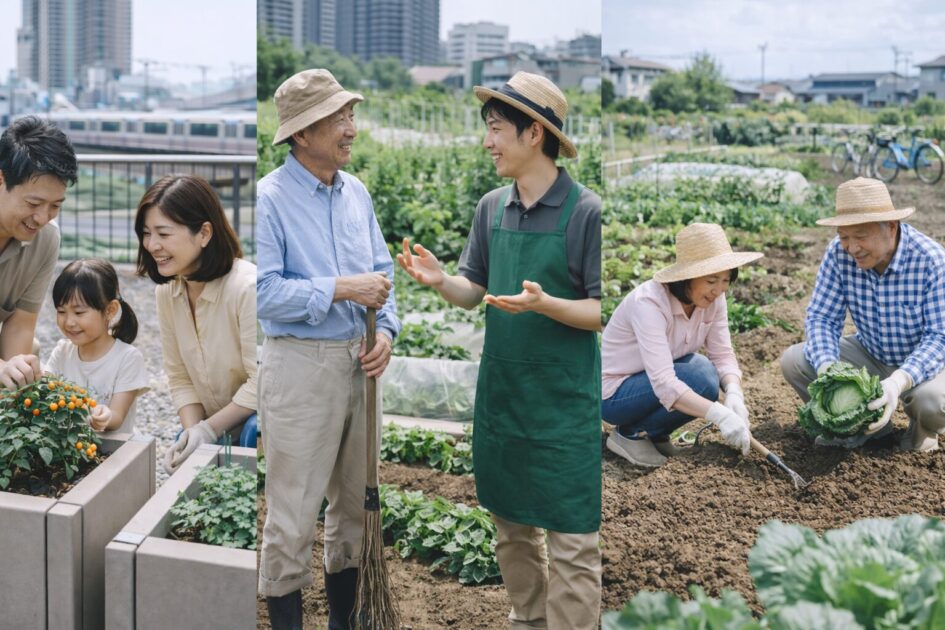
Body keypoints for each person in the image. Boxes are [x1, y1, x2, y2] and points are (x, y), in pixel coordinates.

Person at [398, 71, 601, 630]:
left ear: (534, 133)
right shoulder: (492, 208)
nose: (488, 142)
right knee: (511, 528)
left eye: (496, 130)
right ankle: (528, 620)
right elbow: (474, 293)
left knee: (573, 538)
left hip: (562, 401)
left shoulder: (586, 212)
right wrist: (441, 280)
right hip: (506, 395)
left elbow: (602, 311)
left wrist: (546, 304)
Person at [256, 69, 400, 630]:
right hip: (299, 368)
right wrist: (341, 288)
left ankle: (344, 622)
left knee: (354, 508)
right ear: (302, 133)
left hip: (360, 364)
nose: (351, 129)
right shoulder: (271, 199)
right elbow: (265, 296)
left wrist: (385, 332)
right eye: (339, 118)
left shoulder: (355, 192)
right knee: (292, 515)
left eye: (351, 115)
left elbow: (383, 274)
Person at [782, 177, 945, 452]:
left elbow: (939, 338)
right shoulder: (838, 254)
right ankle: (866, 428)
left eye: (860, 236)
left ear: (891, 227)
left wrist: (897, 383)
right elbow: (822, 317)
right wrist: (827, 369)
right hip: (872, 354)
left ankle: (922, 433)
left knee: (933, 401)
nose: (851, 247)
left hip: (930, 366)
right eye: (844, 237)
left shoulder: (931, 260)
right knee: (795, 361)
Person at [601, 223, 759, 468]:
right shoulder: (650, 303)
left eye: (726, 280)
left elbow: (723, 353)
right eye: (711, 280)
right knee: (701, 375)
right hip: (616, 394)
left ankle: (655, 434)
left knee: (707, 378)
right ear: (687, 276)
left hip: (653, 382)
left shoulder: (714, 299)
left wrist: (734, 393)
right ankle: (630, 434)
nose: (719, 289)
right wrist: (720, 415)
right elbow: (663, 382)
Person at [132, 174, 257, 471]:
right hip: (215, 423)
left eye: (163, 233)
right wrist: (192, 433)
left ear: (204, 233)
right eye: (146, 233)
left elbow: (263, 382)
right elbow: (179, 376)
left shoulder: (247, 288)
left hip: (257, 420)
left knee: (255, 429)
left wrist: (208, 431)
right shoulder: (167, 293)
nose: (152, 245)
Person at [0, 116, 76, 389]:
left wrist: (14, 379)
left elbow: (20, 325)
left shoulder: (45, 239)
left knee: (28, 357)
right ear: (1, 180)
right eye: (34, 203)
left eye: (55, 205)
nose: (43, 217)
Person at [45, 259, 150, 433]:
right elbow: (44, 390)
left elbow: (117, 416)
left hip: (112, 451)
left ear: (110, 310)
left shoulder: (128, 358)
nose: (69, 322)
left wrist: (106, 416)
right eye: (61, 311)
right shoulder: (62, 351)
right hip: (67, 449)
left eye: (79, 312)